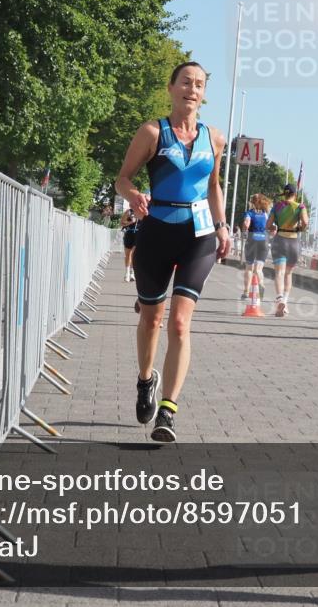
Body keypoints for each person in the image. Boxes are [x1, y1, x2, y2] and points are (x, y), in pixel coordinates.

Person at [114, 61, 231, 443]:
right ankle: (146, 380)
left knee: (180, 322)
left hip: (199, 236)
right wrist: (133, 195)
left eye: (199, 84)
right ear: (171, 87)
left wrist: (222, 225)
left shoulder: (214, 137)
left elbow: (213, 185)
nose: (192, 89)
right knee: (152, 320)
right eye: (186, 82)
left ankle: (168, 411)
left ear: (203, 93)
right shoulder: (153, 131)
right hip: (157, 232)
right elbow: (123, 177)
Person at [267, 183, 309, 317]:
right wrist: (300, 228)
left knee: (279, 273)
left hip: (279, 240)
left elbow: (268, 225)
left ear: (284, 193)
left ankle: (279, 299)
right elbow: (305, 222)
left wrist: (274, 227)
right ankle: (285, 301)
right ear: (295, 194)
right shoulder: (300, 206)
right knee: (288, 274)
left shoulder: (277, 206)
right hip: (293, 242)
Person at [242, 193, 271, 299]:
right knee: (258, 269)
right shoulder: (266, 213)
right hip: (264, 240)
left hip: (252, 240)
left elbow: (246, 223)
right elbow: (272, 227)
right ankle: (262, 285)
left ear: (252, 202)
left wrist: (245, 230)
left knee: (249, 268)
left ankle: (246, 292)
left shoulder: (249, 213)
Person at [119, 207, 139, 281]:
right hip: (129, 233)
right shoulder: (129, 211)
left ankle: (132, 273)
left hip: (138, 234)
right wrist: (130, 222)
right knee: (128, 254)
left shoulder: (144, 211)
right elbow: (121, 223)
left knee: (134, 255)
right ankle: (127, 274)